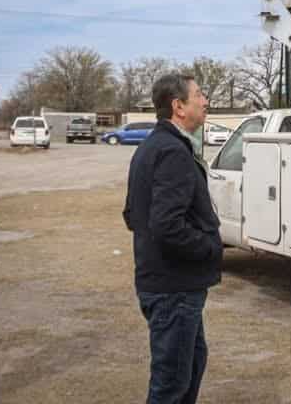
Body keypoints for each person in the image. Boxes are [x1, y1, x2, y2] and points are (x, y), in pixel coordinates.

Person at [123, 73, 221, 404]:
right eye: (199, 96)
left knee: (191, 363)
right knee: (171, 383)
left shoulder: (154, 145)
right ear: (178, 106)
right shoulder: (171, 151)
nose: (206, 101)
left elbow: (131, 214)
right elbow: (166, 225)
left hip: (169, 284)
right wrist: (209, 246)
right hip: (173, 288)